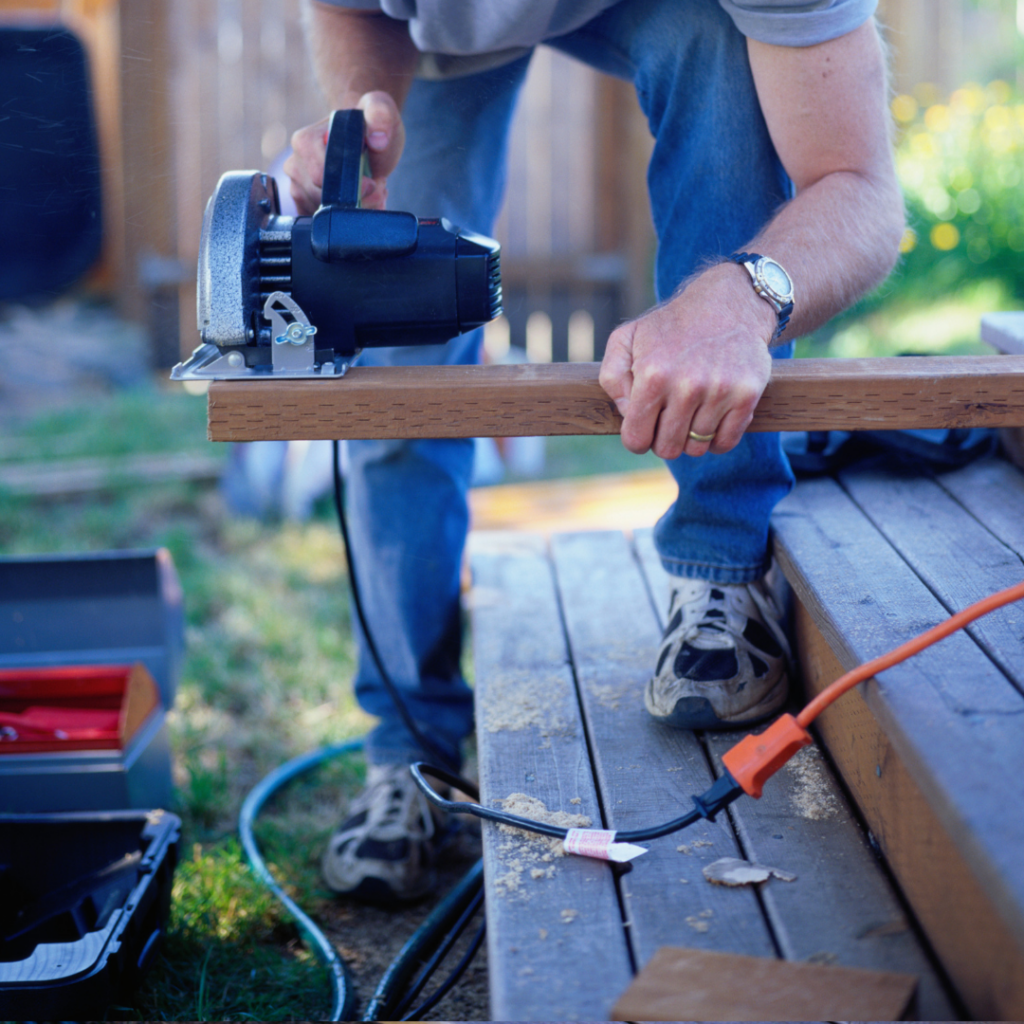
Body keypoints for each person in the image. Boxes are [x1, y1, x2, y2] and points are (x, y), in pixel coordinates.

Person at [285, 0, 905, 904]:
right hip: (448, 34)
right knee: (395, 343)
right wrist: (366, 110)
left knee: (721, 58)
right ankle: (406, 756)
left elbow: (857, 183)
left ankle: (719, 574)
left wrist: (739, 301)